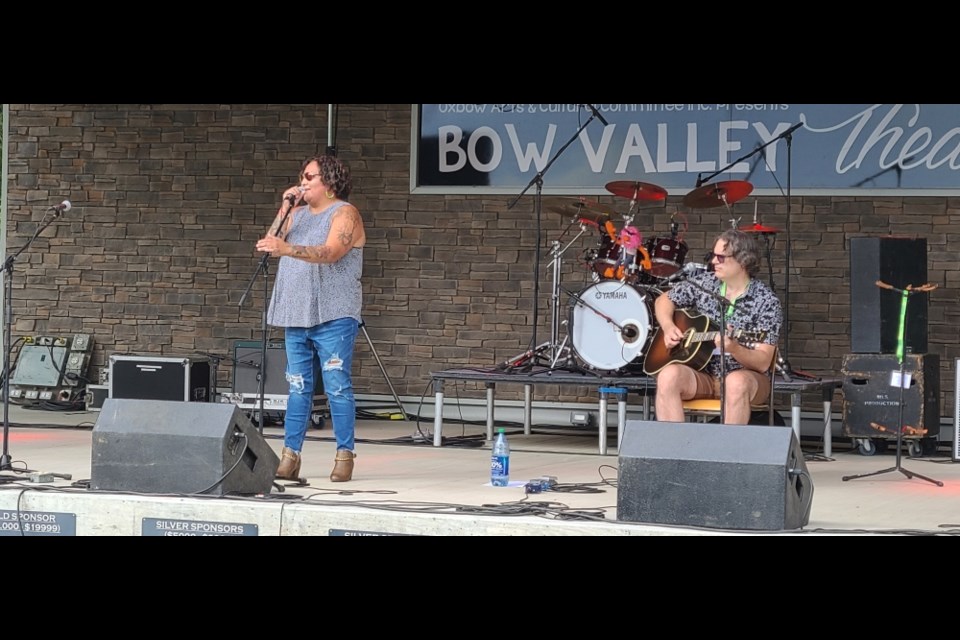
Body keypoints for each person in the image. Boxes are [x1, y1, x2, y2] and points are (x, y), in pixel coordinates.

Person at [256, 154, 365, 482]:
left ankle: (344, 455)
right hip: (296, 312)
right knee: (298, 387)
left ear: (329, 183)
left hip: (333, 313)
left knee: (337, 386)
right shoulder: (297, 214)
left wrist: (287, 249)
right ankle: (290, 456)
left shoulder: (345, 213)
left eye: (309, 177)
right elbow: (268, 244)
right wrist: (284, 206)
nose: (302, 182)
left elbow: (330, 253)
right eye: (301, 176)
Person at [651, 229, 782, 424]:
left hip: (747, 378)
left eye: (721, 257)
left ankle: (727, 453)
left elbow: (763, 361)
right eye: (713, 255)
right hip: (702, 373)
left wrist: (735, 348)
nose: (713, 261)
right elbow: (663, 301)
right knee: (668, 376)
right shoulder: (705, 283)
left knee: (735, 382)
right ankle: (675, 449)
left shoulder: (766, 301)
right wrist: (669, 326)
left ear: (743, 260)